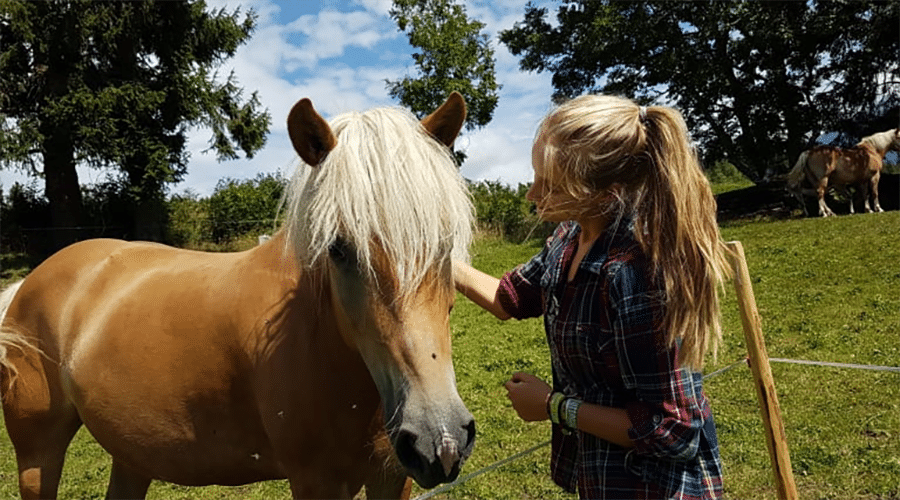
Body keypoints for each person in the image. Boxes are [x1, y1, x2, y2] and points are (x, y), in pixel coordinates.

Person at [453, 94, 732, 499]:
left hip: (657, 489)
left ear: (605, 193)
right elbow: (508, 298)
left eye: (549, 184)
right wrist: (435, 257)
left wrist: (553, 406)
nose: (532, 194)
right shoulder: (571, 237)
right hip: (603, 482)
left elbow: (673, 430)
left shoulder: (636, 273)